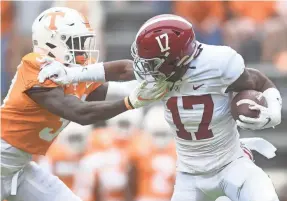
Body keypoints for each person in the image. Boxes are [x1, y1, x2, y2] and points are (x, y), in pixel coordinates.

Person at [39, 14, 282, 201]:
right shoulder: (159, 74)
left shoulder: (219, 63)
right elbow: (124, 69)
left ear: (177, 59)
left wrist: (273, 110)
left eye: (153, 62)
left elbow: (258, 81)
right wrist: (72, 74)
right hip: (190, 175)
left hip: (231, 164)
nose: (145, 69)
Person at [0, 7, 168, 201]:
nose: (82, 49)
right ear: (52, 42)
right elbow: (79, 113)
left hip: (18, 167)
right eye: (76, 42)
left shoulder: (68, 72)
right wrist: (130, 102)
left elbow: (117, 75)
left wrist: (152, 74)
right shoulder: (36, 67)